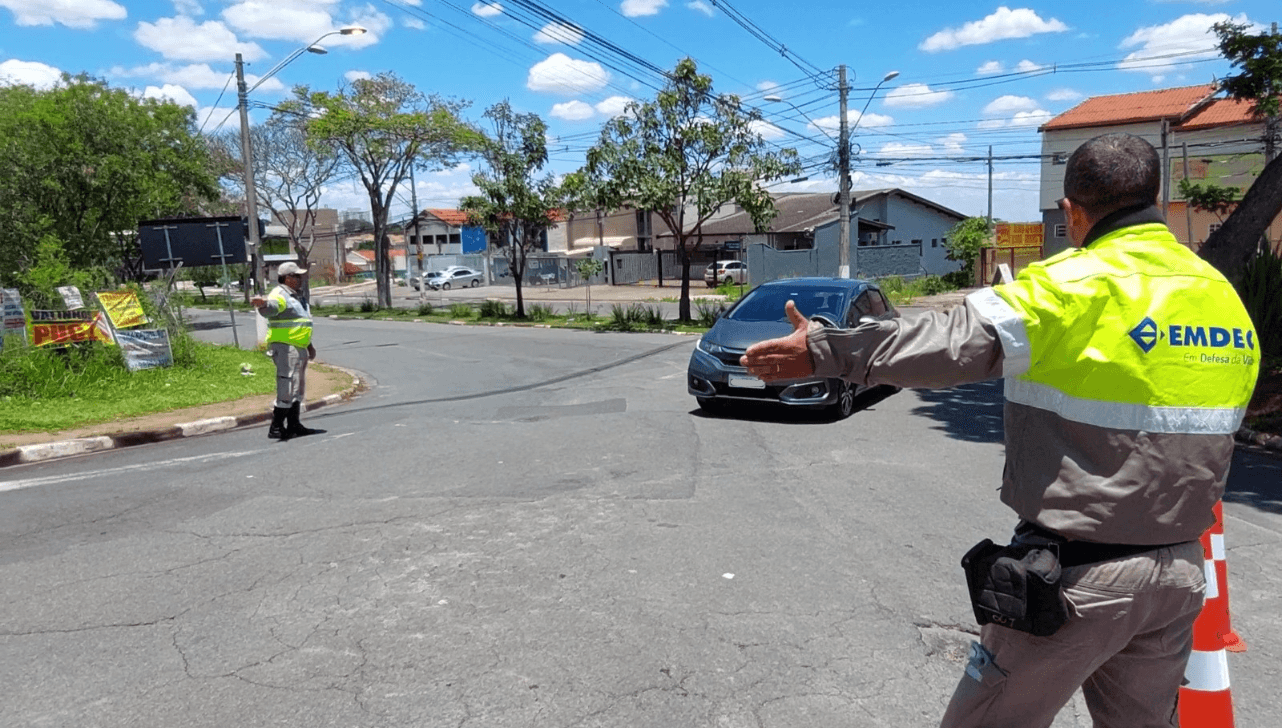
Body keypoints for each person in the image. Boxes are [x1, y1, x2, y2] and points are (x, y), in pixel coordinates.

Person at [741, 132, 1259, 727]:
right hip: (1180, 575)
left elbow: (952, 340)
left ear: (1072, 212)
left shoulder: (1073, 284)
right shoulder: (1218, 295)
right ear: (1157, 200)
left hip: (1079, 579)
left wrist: (827, 349)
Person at [251, 261, 324, 440]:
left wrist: (309, 345)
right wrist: (263, 305)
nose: (301, 279)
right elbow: (271, 308)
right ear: (287, 278)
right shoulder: (279, 294)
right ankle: (276, 427)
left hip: (298, 347)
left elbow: (301, 323)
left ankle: (293, 424)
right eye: (297, 276)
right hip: (285, 348)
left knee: (297, 387)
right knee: (288, 386)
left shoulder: (297, 296)